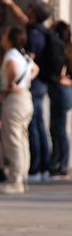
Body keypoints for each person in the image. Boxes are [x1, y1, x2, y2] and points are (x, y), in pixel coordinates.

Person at [0, 0, 60, 180]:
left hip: (31, 88)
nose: (26, 11)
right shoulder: (40, 30)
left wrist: (15, 82)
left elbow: (30, 64)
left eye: (29, 9)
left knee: (33, 128)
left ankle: (38, 168)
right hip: (35, 86)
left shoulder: (33, 36)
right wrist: (10, 3)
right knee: (32, 127)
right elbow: (22, 17)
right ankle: (39, 168)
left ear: (33, 14)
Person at [0, 27, 39, 194]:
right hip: (26, 97)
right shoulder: (24, 55)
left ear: (10, 39)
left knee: (13, 139)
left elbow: (12, 70)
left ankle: (15, 180)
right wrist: (25, 80)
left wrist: (11, 84)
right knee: (22, 138)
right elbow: (36, 69)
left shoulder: (11, 55)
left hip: (14, 100)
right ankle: (22, 177)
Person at [49, 20, 72, 177]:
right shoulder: (66, 48)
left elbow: (59, 73)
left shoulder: (61, 49)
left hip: (62, 91)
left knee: (60, 128)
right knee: (58, 128)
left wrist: (61, 79)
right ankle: (59, 161)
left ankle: (62, 162)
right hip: (64, 91)